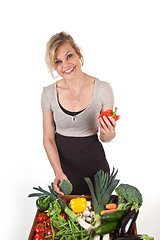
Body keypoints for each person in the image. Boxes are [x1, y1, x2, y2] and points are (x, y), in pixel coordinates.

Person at [41, 31, 119, 195]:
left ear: (79, 55)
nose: (66, 65)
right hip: (65, 174)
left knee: (99, 219)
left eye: (69, 56)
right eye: (58, 61)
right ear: (55, 66)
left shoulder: (103, 89)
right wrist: (58, 172)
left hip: (97, 171)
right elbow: (48, 137)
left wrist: (109, 132)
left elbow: (106, 138)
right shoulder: (48, 93)